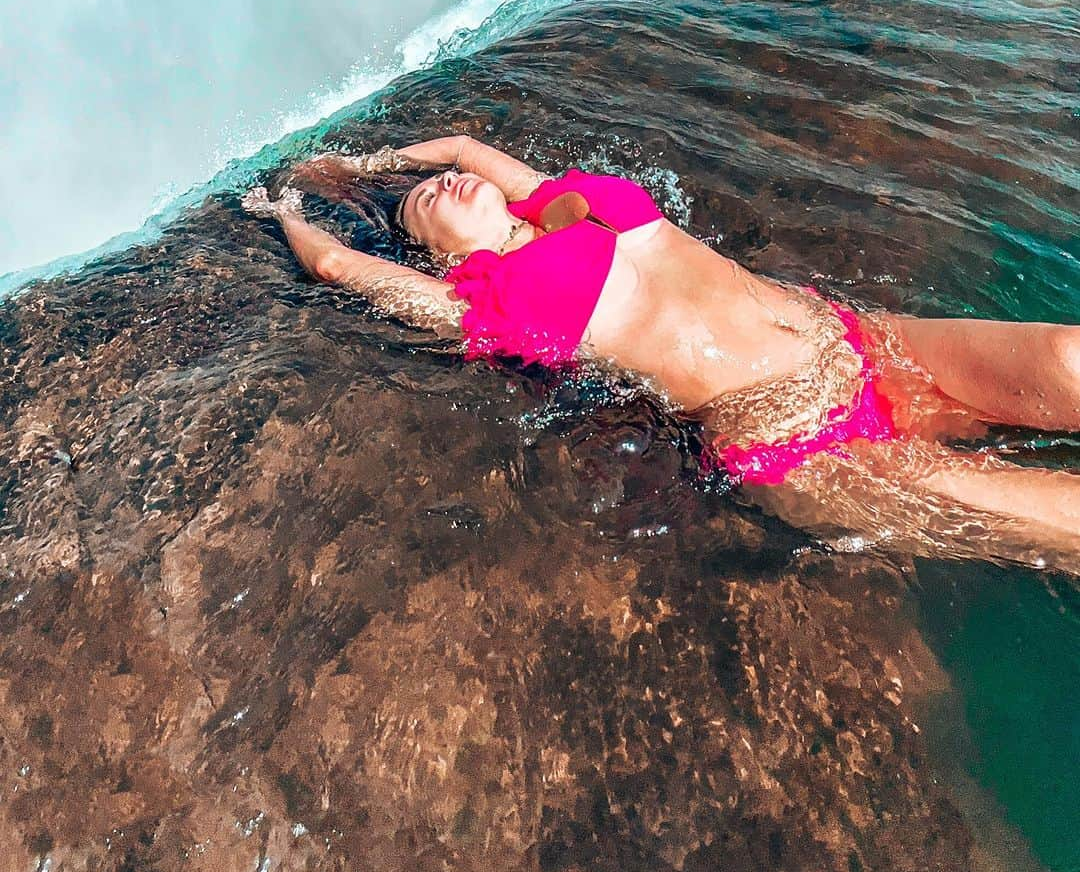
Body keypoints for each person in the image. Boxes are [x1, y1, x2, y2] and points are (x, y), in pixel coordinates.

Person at [242, 134, 1080, 569]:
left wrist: (366, 162)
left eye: (445, 182)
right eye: (425, 203)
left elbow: (463, 147)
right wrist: (279, 207)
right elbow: (336, 263)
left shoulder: (559, 200)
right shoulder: (485, 303)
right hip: (800, 441)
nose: (447, 186)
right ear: (437, 255)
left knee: (1066, 360)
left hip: (859, 344)